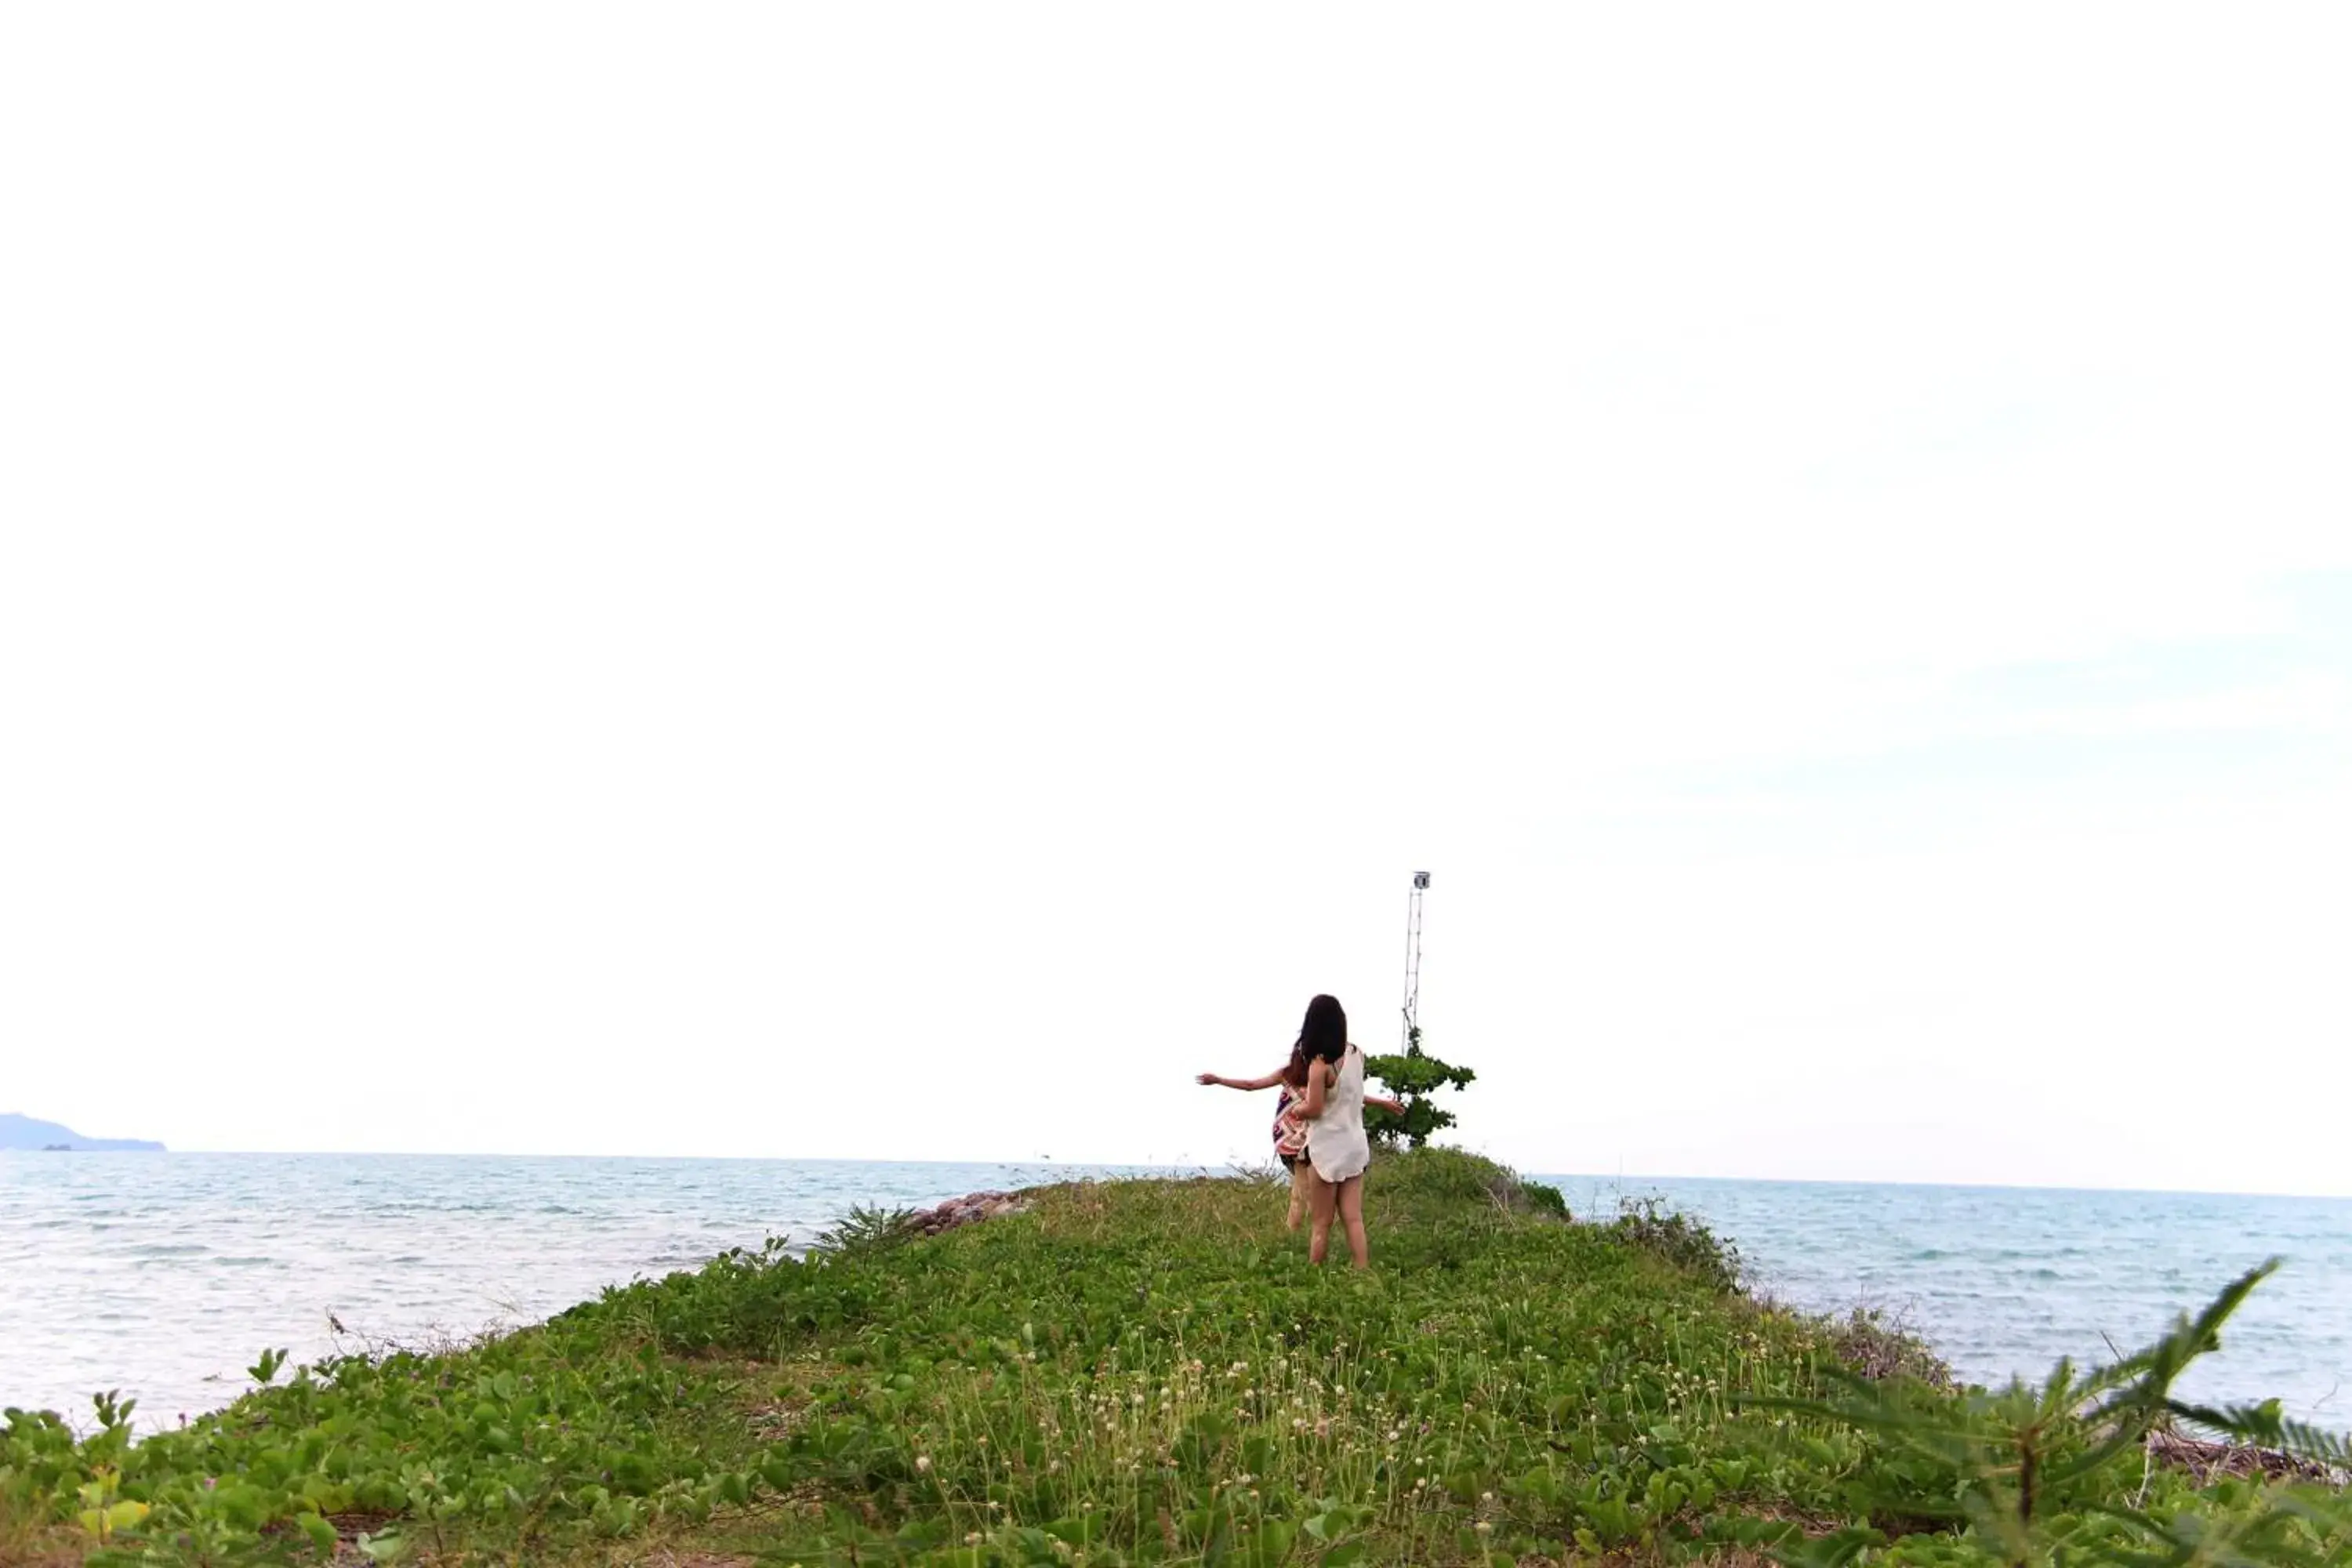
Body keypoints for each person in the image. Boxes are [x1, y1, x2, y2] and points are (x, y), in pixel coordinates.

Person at [1198, 995, 1402, 1245]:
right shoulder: (1317, 1070)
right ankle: (1296, 1239)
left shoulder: (1306, 1071)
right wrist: (1219, 1080)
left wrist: (1219, 1080)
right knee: (1304, 1194)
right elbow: (1354, 1096)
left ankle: (1296, 1237)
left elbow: (1252, 1085)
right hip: (1306, 1140)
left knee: (1304, 1193)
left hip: (1301, 1138)